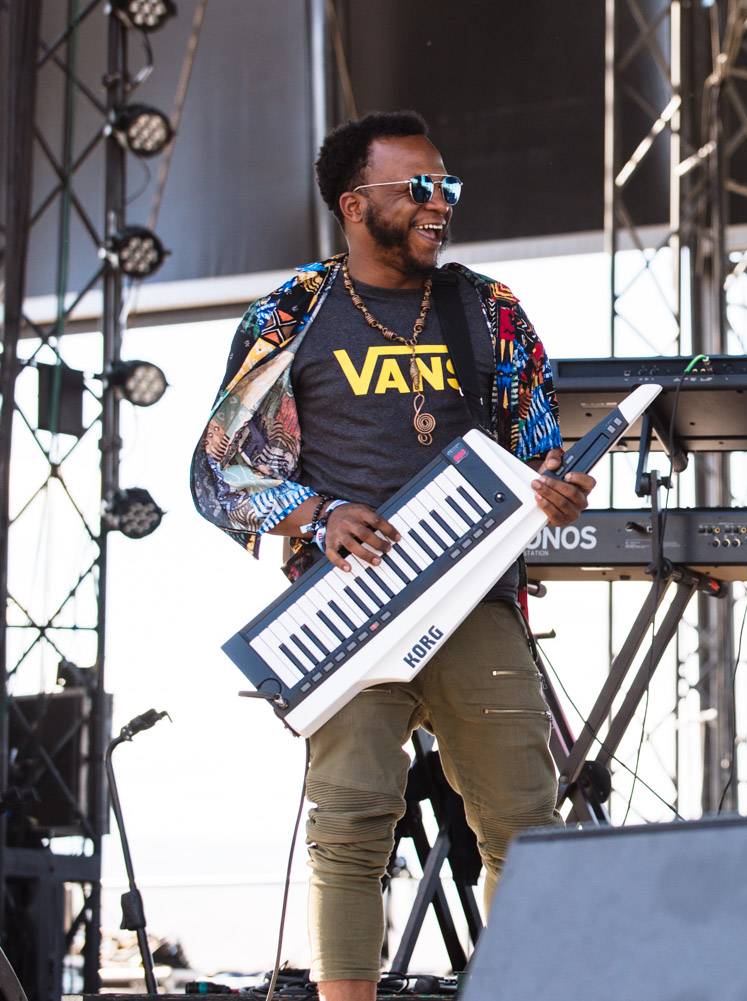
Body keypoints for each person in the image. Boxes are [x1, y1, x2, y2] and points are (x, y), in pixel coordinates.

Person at [190, 111, 593, 1001]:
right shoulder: (292, 311)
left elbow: (538, 450)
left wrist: (557, 488)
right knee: (349, 829)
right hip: (349, 603)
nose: (437, 205)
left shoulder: (488, 308)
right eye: (415, 188)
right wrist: (316, 511)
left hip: (476, 597)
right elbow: (221, 465)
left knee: (526, 825)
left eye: (445, 187)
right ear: (352, 202)